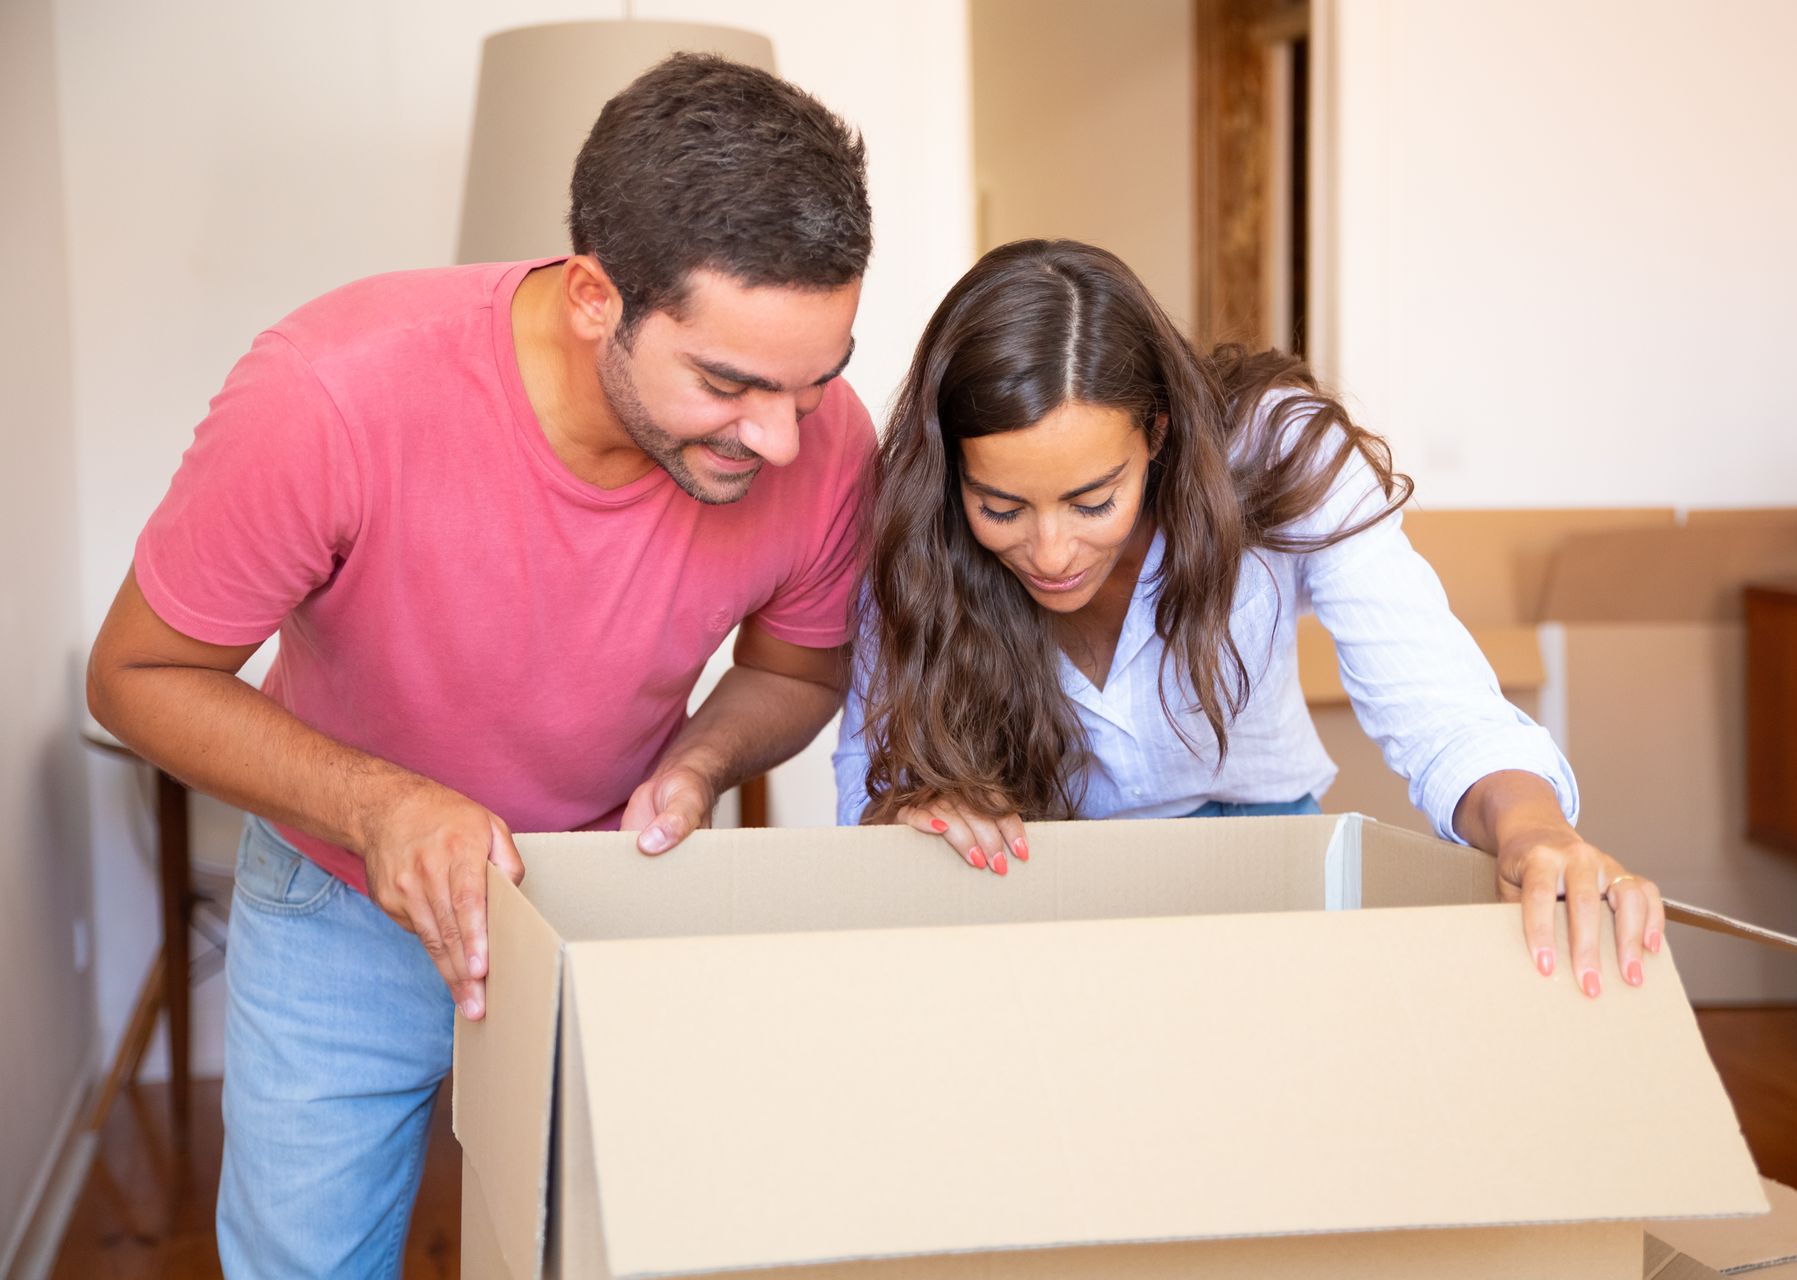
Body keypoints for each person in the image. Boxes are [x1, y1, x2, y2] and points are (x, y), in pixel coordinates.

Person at [86, 54, 875, 1278]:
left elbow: (801, 670)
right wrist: (382, 803)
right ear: (596, 296)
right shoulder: (329, 398)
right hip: (340, 893)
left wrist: (701, 758)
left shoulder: (827, 442)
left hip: (601, 895)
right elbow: (135, 673)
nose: (780, 439)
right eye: (728, 384)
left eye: (814, 382)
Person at [833, 238, 1664, 994]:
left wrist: (1530, 827)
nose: (1051, 552)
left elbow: (1438, 702)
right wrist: (910, 811)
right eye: (1002, 507)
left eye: (1094, 500)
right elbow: (868, 775)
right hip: (1041, 870)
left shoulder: (1279, 451)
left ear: (1156, 432)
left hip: (1264, 852)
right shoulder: (915, 521)